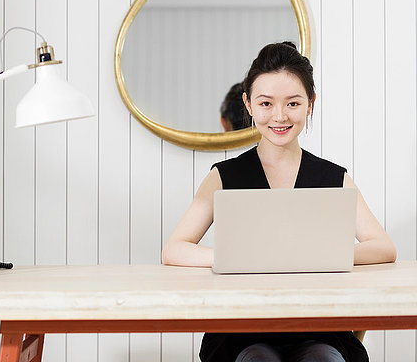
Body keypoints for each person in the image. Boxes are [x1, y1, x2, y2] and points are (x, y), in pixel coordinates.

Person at [161, 42, 397, 362]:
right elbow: (174, 248)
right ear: (248, 104)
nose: (280, 116)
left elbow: (383, 246)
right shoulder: (224, 177)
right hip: (241, 330)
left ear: (310, 104)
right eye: (266, 103)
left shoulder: (332, 177)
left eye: (293, 103)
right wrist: (237, 258)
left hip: (320, 327)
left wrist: (319, 255)